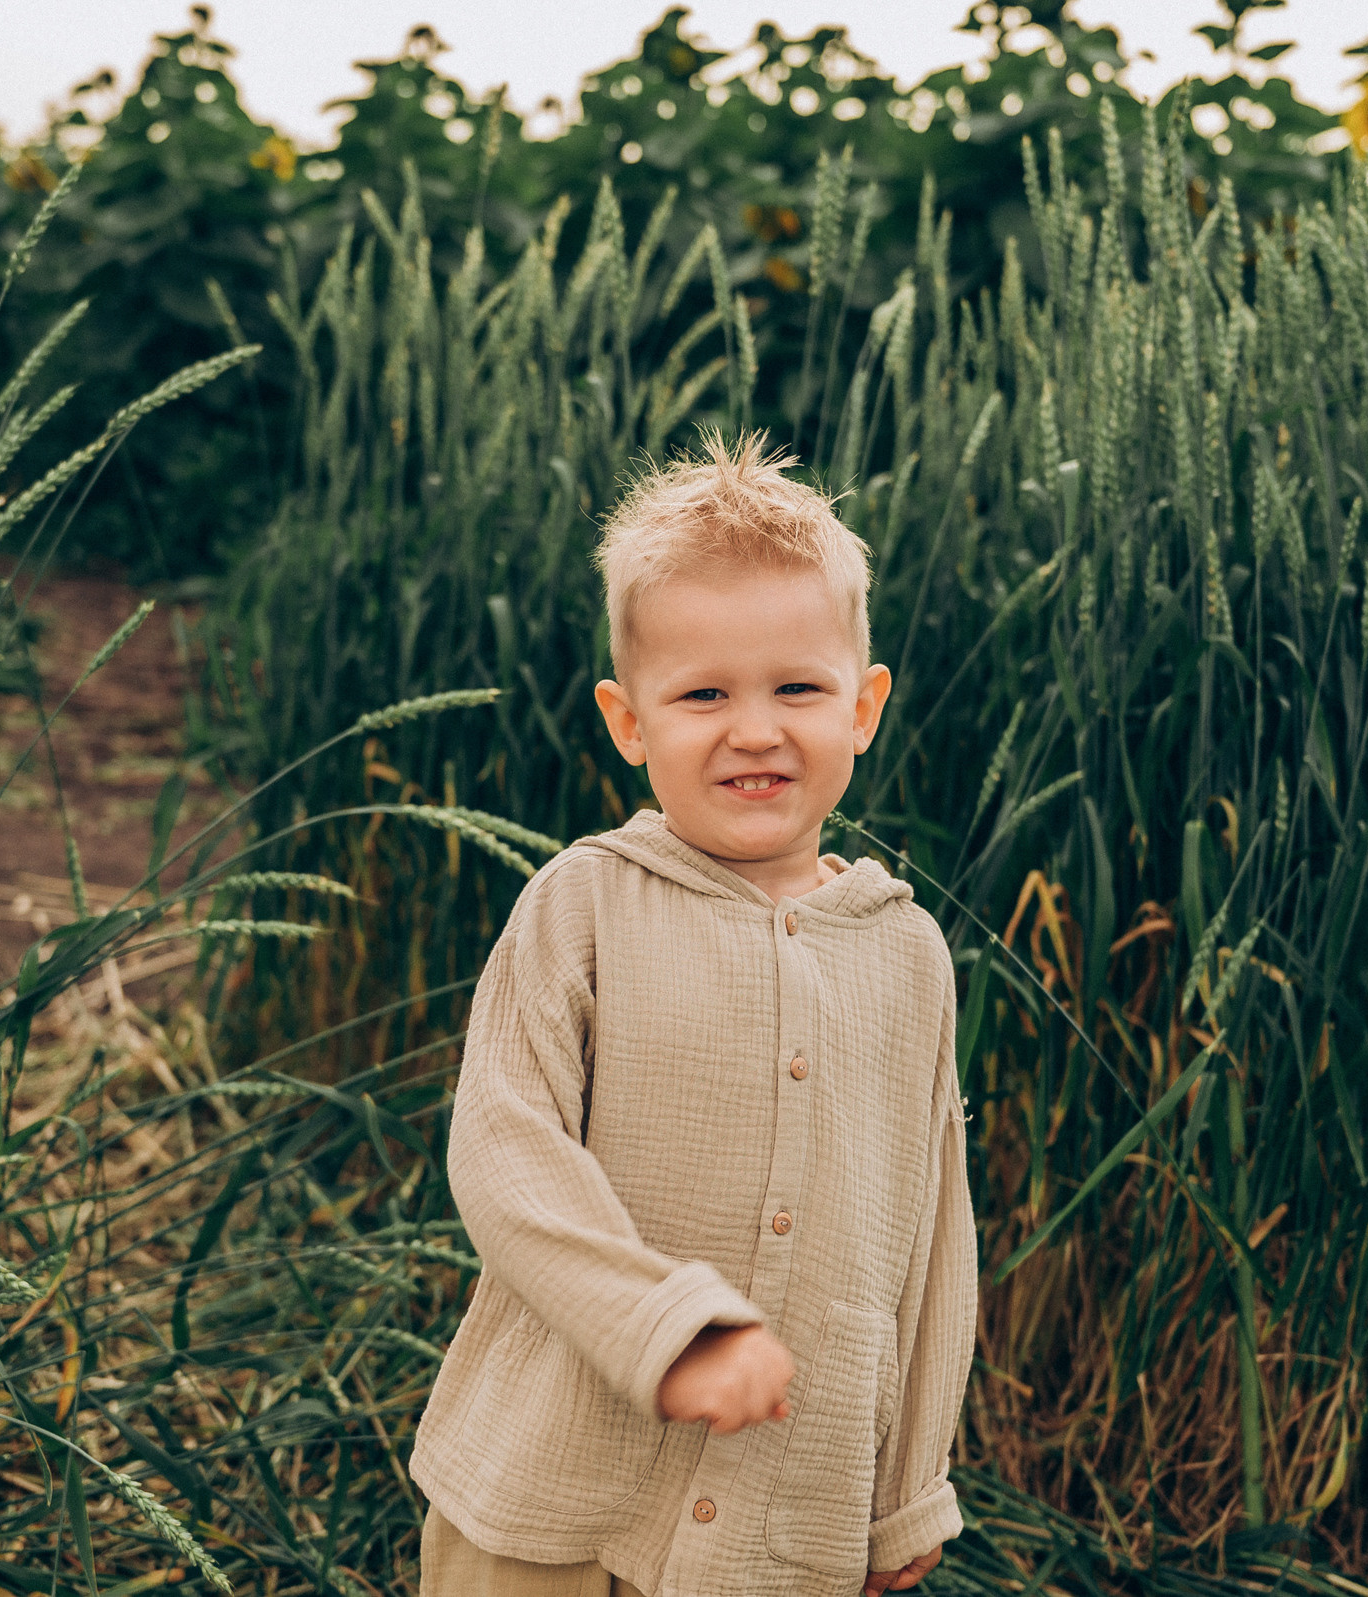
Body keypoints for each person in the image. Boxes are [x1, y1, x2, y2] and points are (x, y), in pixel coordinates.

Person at [409, 432, 977, 1596]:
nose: (754, 729)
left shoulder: (909, 952)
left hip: (779, 1520)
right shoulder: (582, 904)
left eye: (798, 689)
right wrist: (668, 1326)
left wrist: (909, 1482)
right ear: (630, 722)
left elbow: (933, 1234)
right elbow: (502, 1148)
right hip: (547, 1505)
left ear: (864, 707)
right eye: (704, 692)